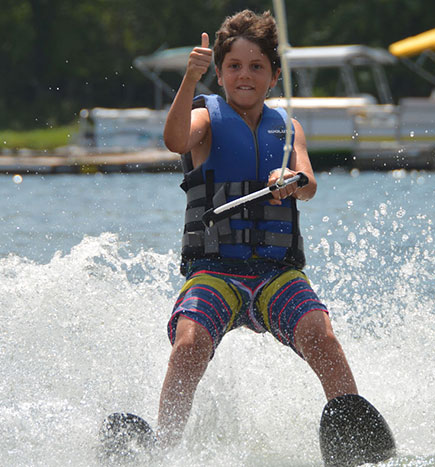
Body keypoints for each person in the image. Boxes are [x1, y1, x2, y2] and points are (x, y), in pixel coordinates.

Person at [159, 9, 358, 447]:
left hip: (276, 273)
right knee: (190, 343)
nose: (243, 76)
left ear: (274, 76)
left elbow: (308, 182)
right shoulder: (205, 118)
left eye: (256, 67)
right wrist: (188, 81)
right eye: (233, 66)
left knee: (320, 334)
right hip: (215, 271)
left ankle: (353, 436)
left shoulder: (288, 128)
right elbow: (175, 141)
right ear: (219, 72)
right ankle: (164, 444)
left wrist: (289, 181)